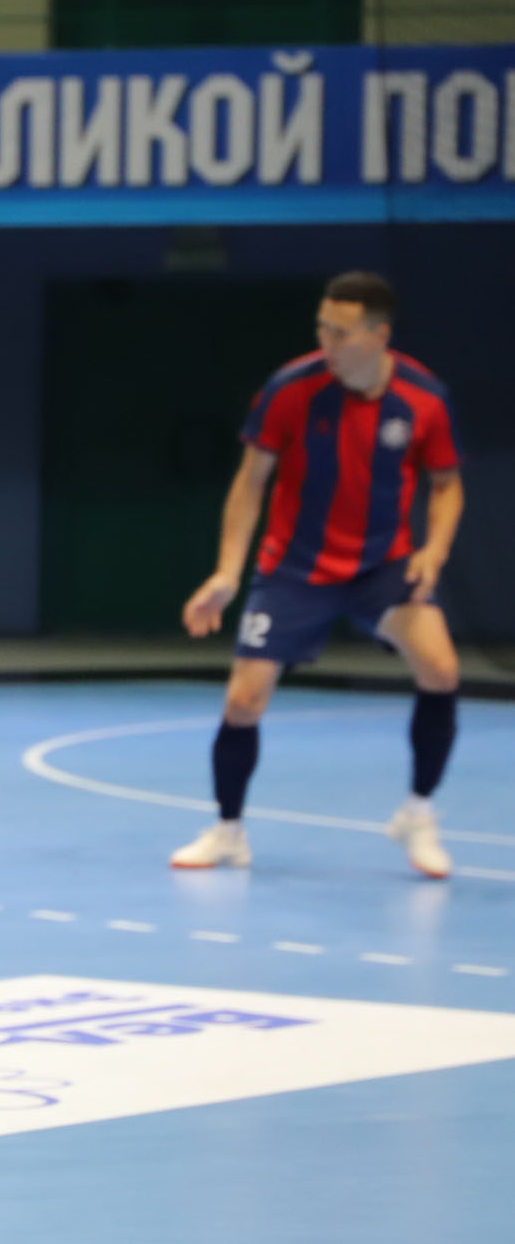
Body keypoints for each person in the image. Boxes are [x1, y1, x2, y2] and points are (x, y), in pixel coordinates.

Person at [174, 271, 463, 879]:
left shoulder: (424, 399)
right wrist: (227, 572)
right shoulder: (290, 390)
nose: (326, 342)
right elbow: (250, 482)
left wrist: (434, 550)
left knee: (441, 669)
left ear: (379, 335)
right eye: (321, 328)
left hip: (382, 565)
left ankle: (418, 813)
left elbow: (446, 485)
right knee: (243, 702)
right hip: (294, 568)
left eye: (340, 332)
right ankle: (228, 831)